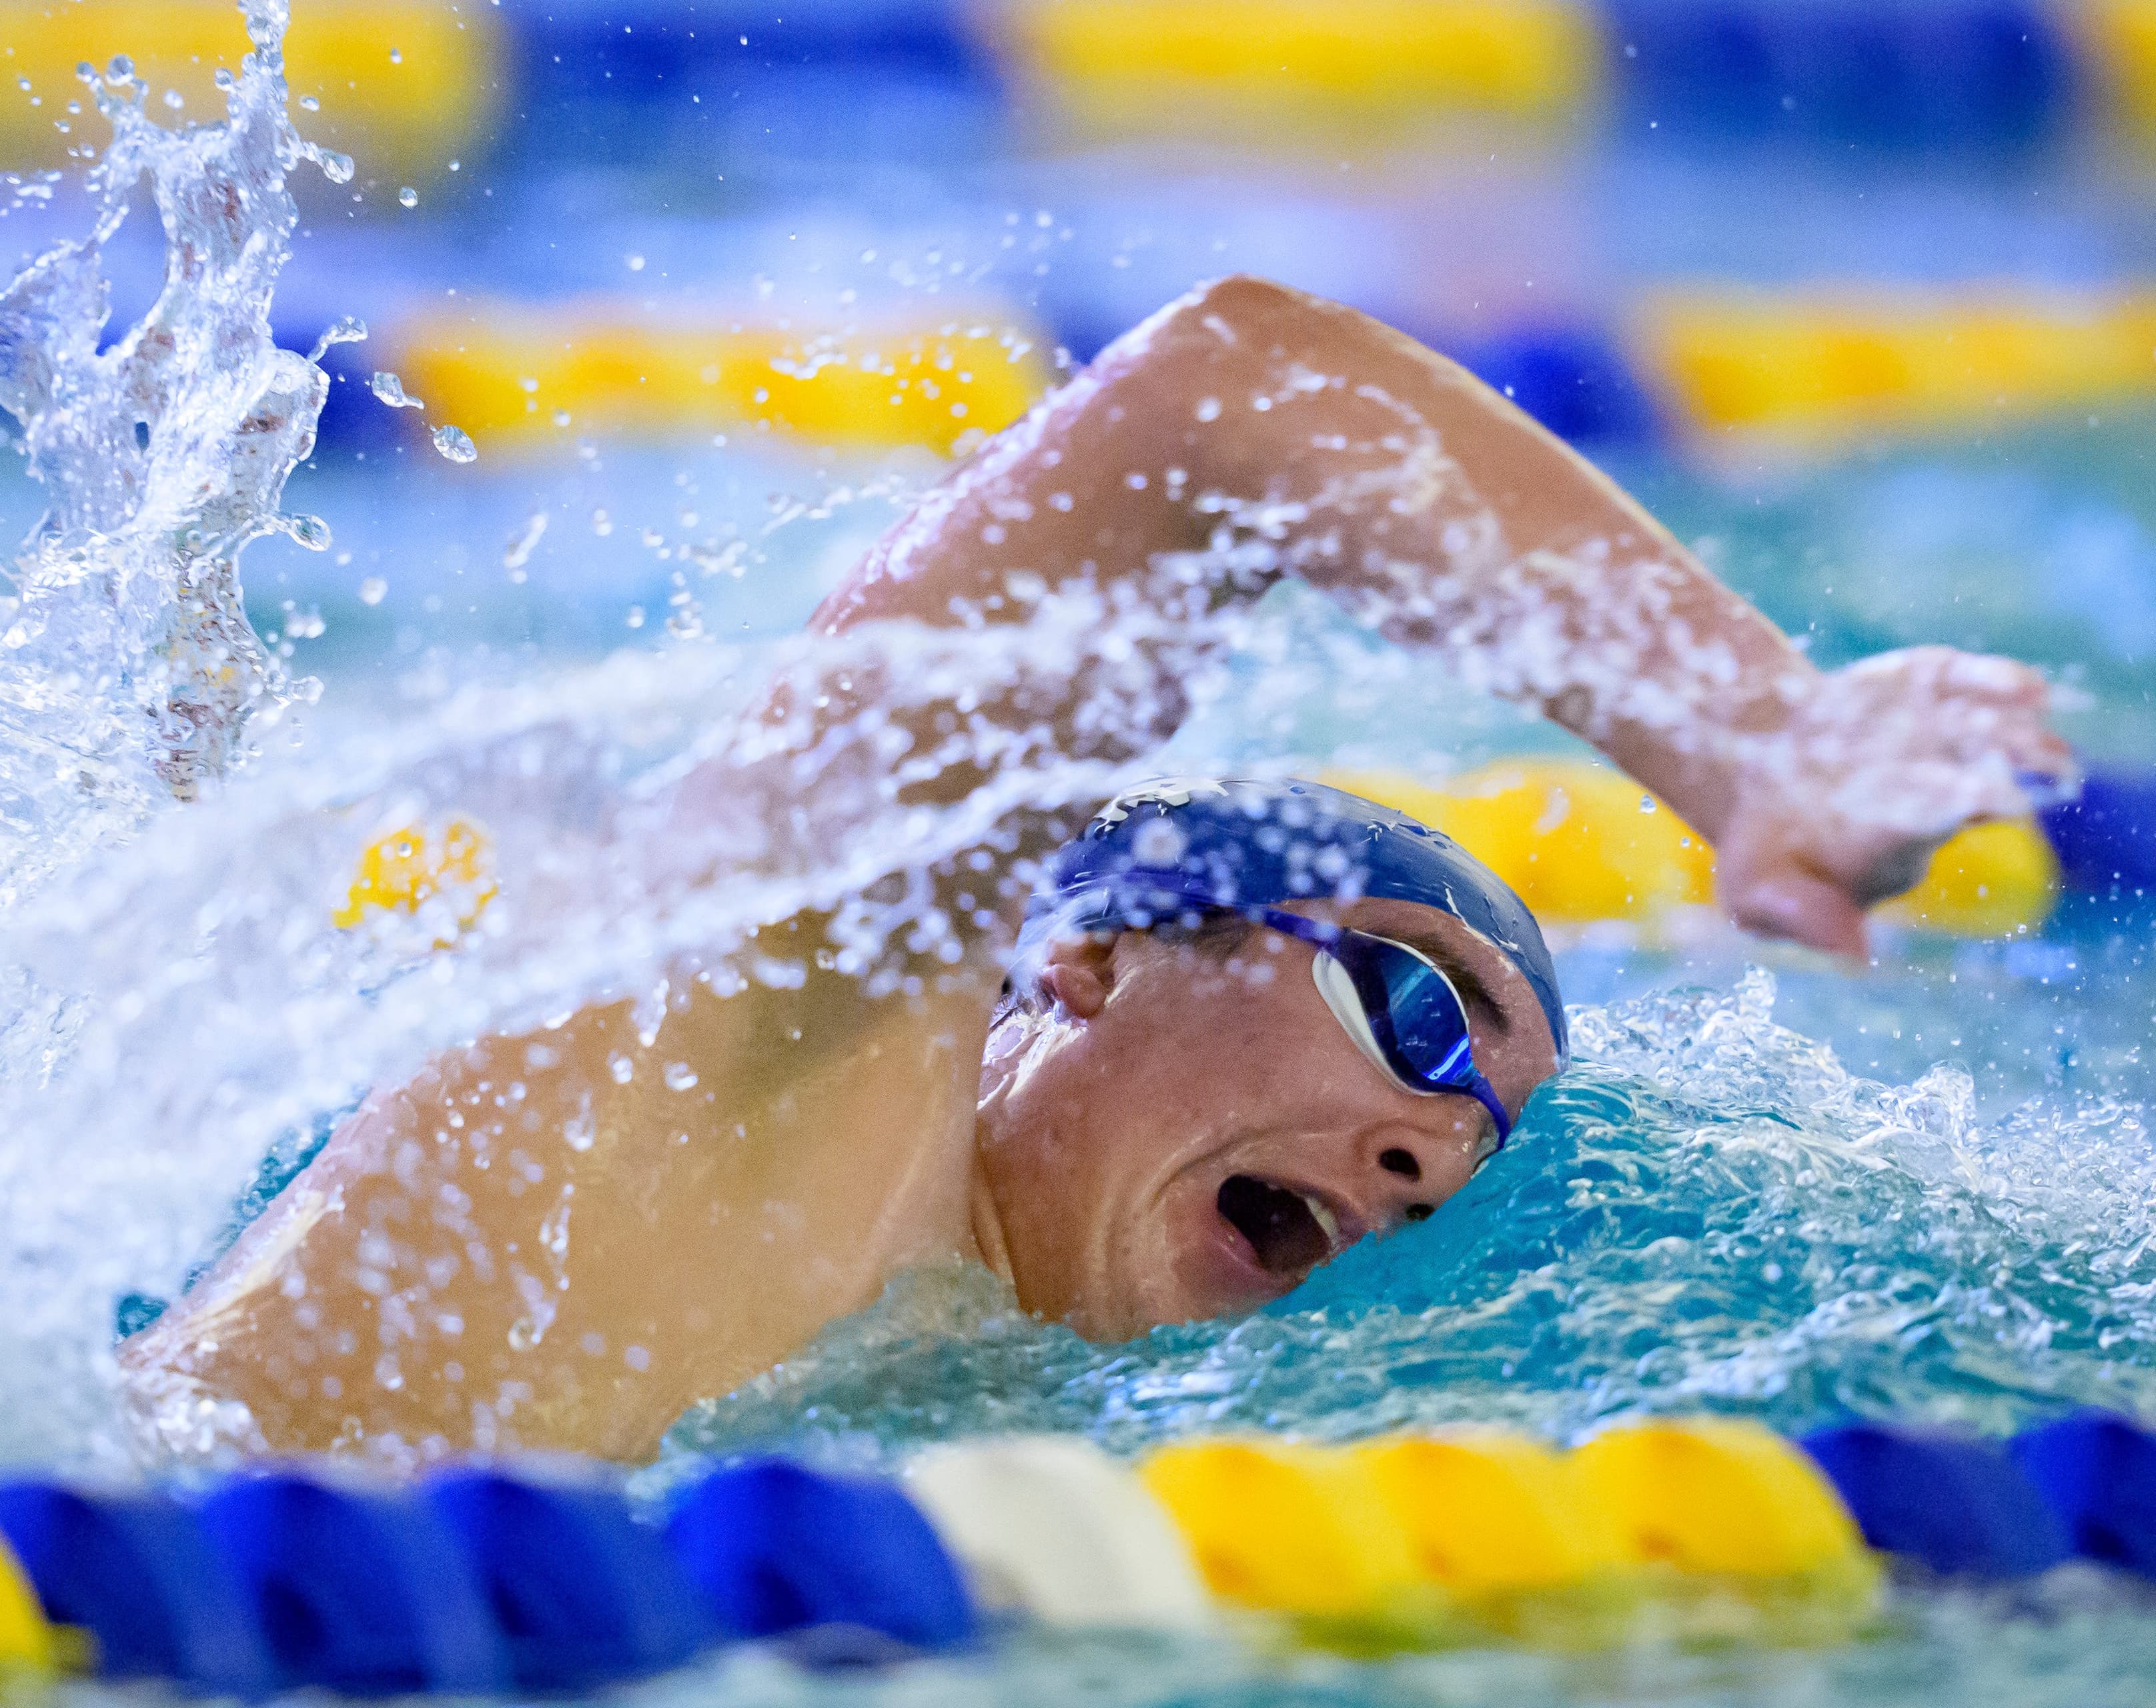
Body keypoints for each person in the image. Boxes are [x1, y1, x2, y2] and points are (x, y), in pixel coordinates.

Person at [121, 277, 2067, 1464]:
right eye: (1411, 1007)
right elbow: (1216, 397)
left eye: (1479, 1139)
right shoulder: (770, 1023)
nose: (1430, 1151)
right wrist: (1749, 739)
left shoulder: (968, 1386)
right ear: (1093, 965)